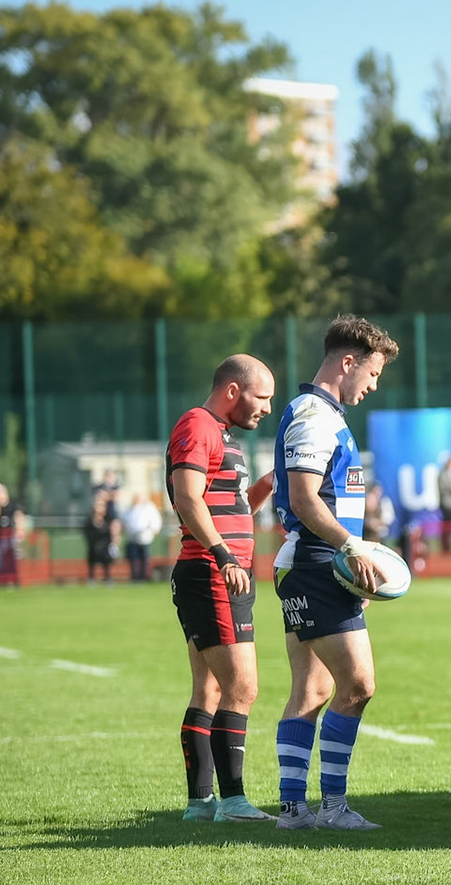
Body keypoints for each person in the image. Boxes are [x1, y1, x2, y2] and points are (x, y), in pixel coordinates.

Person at [270, 315, 399, 831]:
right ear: (347, 362)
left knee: (312, 690)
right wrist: (350, 550)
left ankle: (293, 810)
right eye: (371, 374)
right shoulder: (314, 416)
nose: (372, 386)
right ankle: (332, 807)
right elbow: (303, 498)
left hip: (316, 563)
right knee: (359, 685)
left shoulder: (325, 414)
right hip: (316, 562)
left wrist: (352, 563)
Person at [168, 354, 278, 824]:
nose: (268, 408)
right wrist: (225, 556)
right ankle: (232, 802)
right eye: (263, 397)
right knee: (243, 686)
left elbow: (228, 504)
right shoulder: (199, 424)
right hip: (213, 575)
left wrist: (267, 486)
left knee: (209, 689)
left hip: (215, 573)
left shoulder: (224, 435)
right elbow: (186, 496)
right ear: (233, 390)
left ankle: (201, 804)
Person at [123, 494, 163, 583]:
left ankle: (144, 577)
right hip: (132, 538)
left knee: (144, 559)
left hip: (145, 538)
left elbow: (154, 521)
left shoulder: (148, 508)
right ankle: (135, 577)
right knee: (134, 559)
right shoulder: (130, 509)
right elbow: (125, 521)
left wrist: (154, 530)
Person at [83, 490, 117, 585]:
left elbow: (112, 530)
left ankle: (108, 579)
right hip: (94, 544)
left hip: (105, 543)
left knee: (106, 561)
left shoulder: (108, 518)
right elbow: (87, 531)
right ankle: (92, 579)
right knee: (92, 561)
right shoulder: (90, 520)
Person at [436, 455, 451, 553]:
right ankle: (445, 546)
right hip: (446, 503)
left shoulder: (449, 473)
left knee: (449, 526)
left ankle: (448, 545)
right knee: (446, 525)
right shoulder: (443, 473)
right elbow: (446, 488)